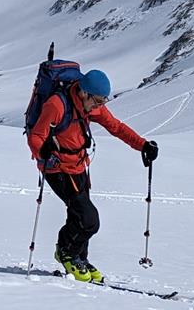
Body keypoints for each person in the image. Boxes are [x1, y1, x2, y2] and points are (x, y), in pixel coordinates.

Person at [27, 68, 157, 284]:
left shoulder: (90, 104)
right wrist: (44, 151)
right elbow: (36, 136)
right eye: (97, 101)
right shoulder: (57, 105)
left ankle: (80, 258)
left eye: (103, 101)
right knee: (89, 220)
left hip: (79, 165)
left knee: (78, 214)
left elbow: (116, 127)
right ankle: (66, 253)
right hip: (58, 168)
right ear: (83, 93)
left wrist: (142, 145)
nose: (99, 106)